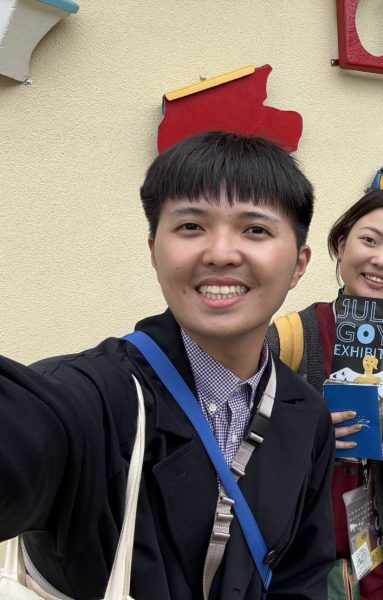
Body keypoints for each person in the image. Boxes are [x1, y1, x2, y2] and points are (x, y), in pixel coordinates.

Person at [0, 132, 335, 599]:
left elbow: (301, 578)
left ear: (298, 264)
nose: (220, 253)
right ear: (154, 250)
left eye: (255, 230)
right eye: (191, 226)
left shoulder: (307, 416)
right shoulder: (96, 396)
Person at [268, 189, 383, 600]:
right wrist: (307, 440)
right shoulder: (285, 341)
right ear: (341, 245)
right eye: (369, 240)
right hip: (296, 579)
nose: (382, 260)